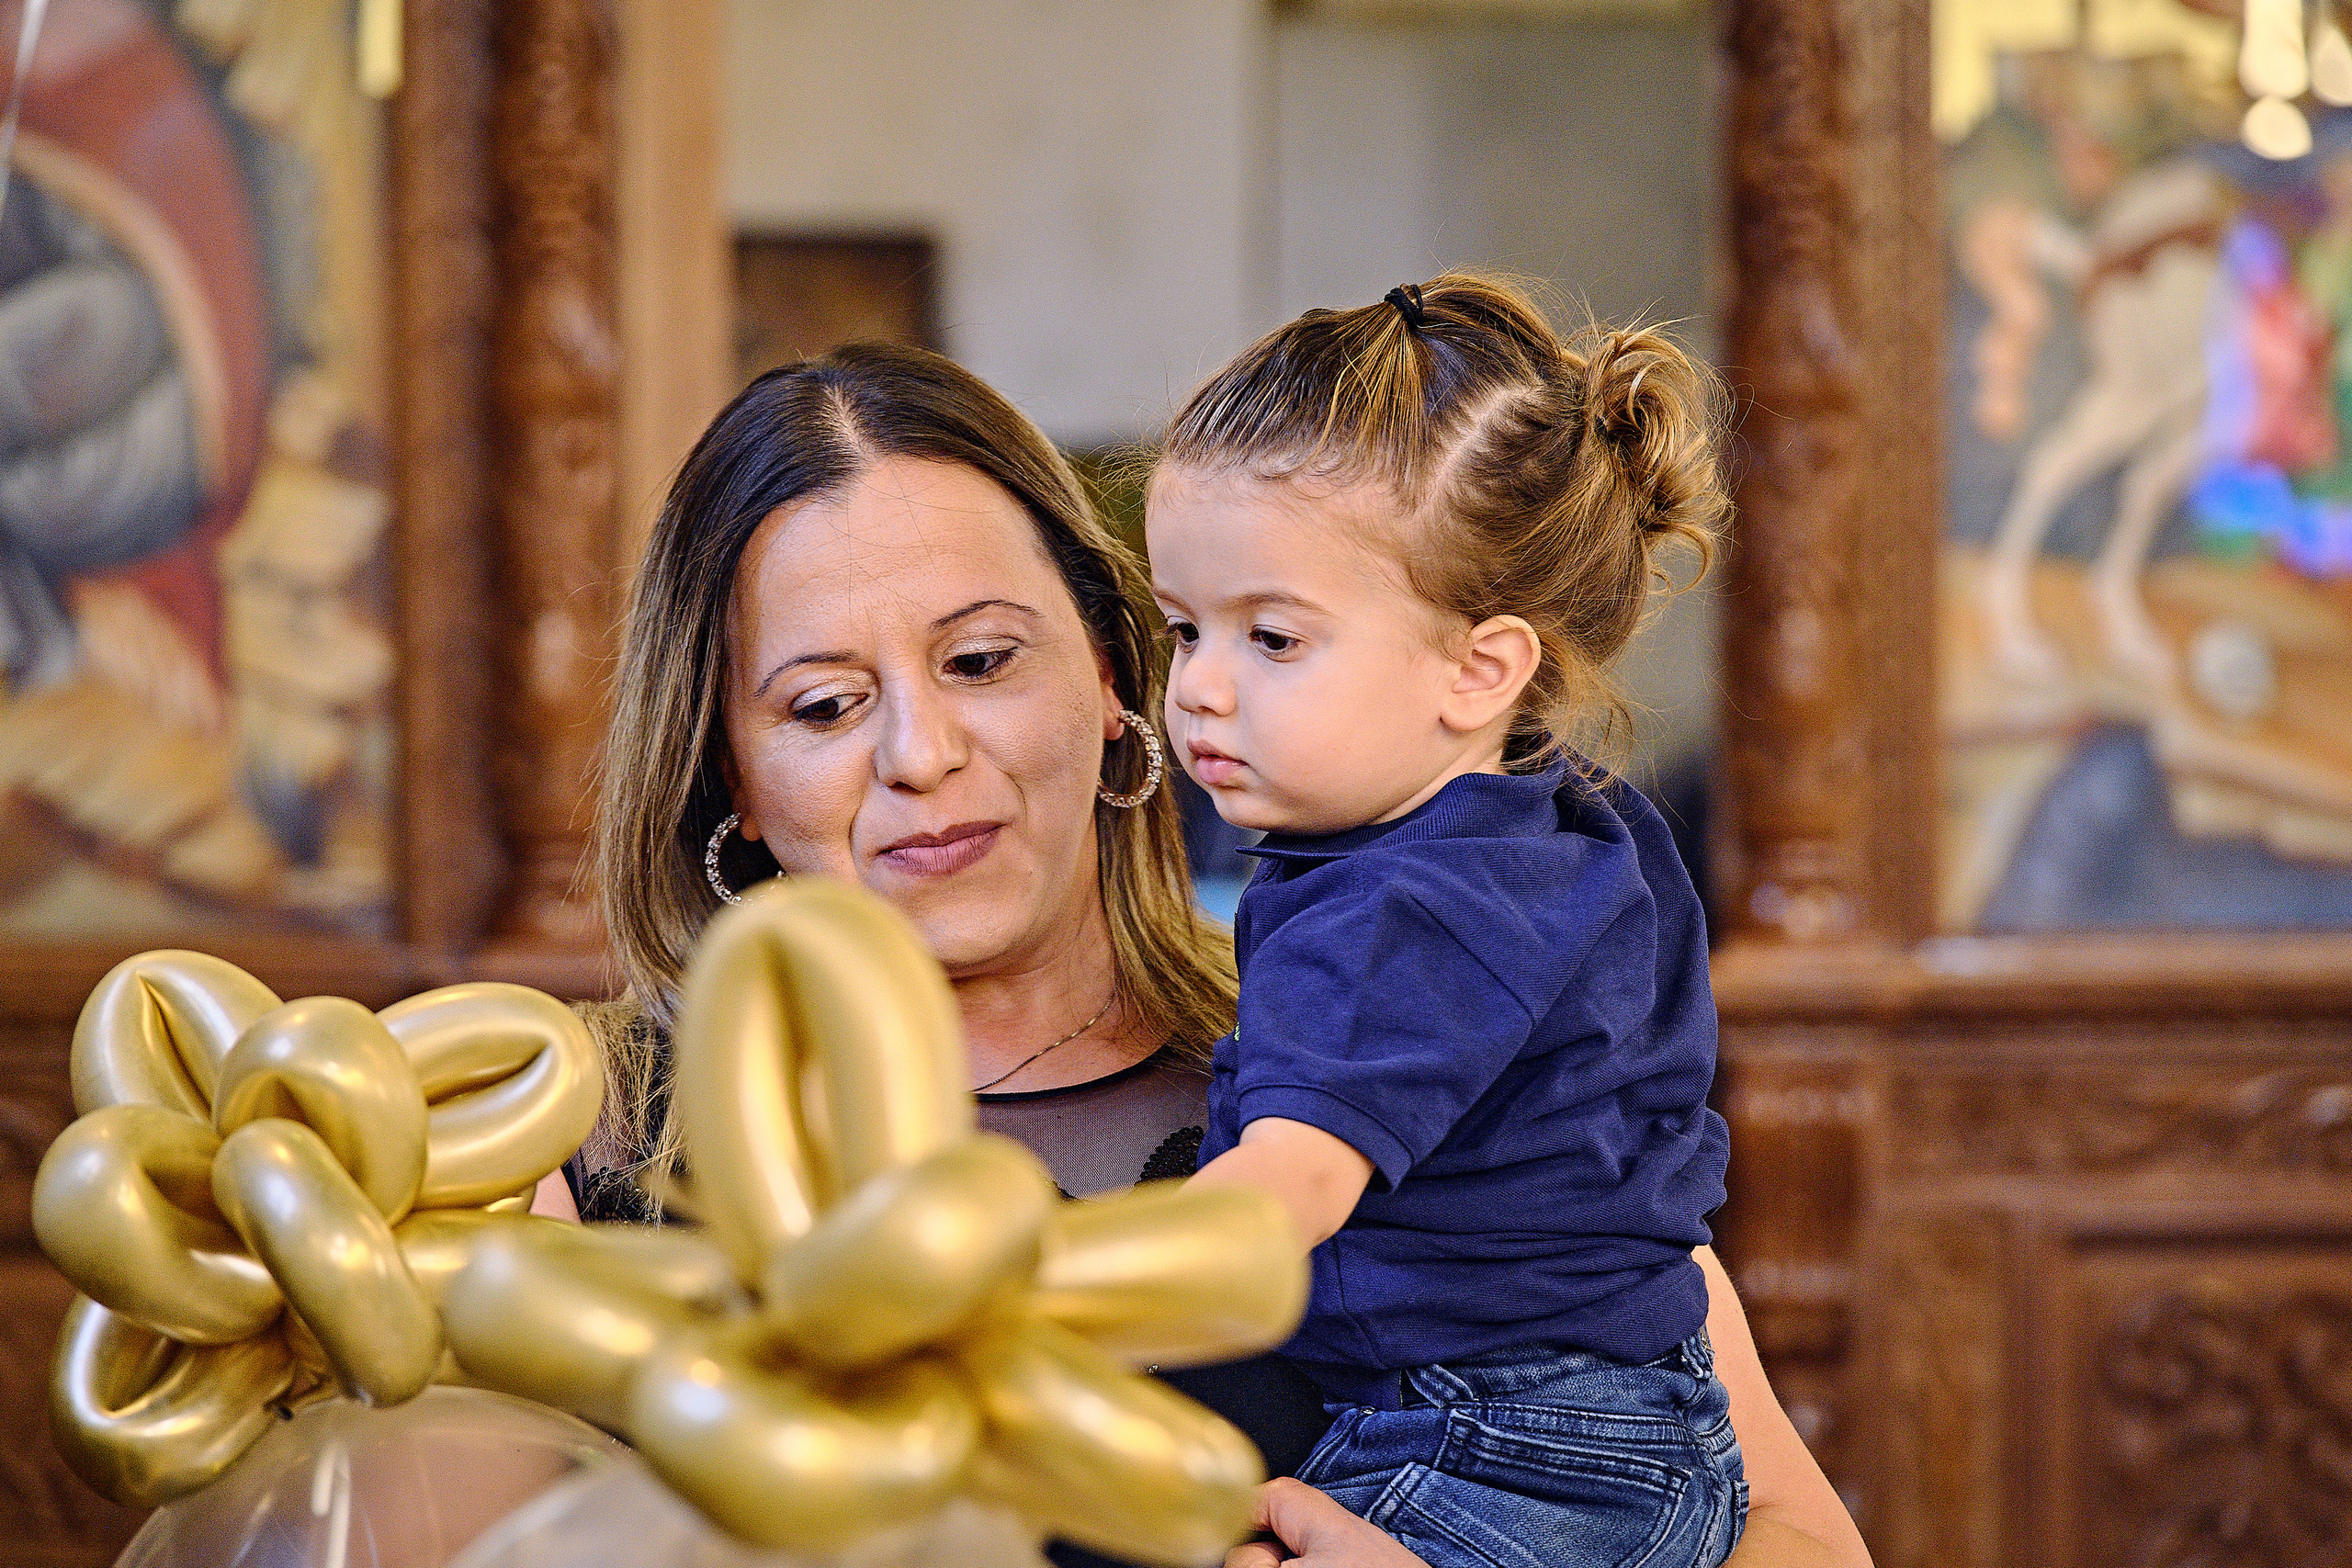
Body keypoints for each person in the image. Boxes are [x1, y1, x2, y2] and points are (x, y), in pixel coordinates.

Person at [570, 341, 1868, 1568]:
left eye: (979, 660)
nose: (920, 753)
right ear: (724, 770)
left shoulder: (1402, 1029)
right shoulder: (584, 1139)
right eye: (824, 704)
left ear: (1112, 670)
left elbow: (1807, 1540)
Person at [1149, 274, 1741, 1567]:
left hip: (1503, 1439)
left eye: (1275, 639)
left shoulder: (1402, 907)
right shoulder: (1560, 823)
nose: (1198, 687)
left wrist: (1043, 1285)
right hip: (1645, 1410)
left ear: (1483, 667)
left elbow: (1282, 1195)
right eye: (1184, 628)